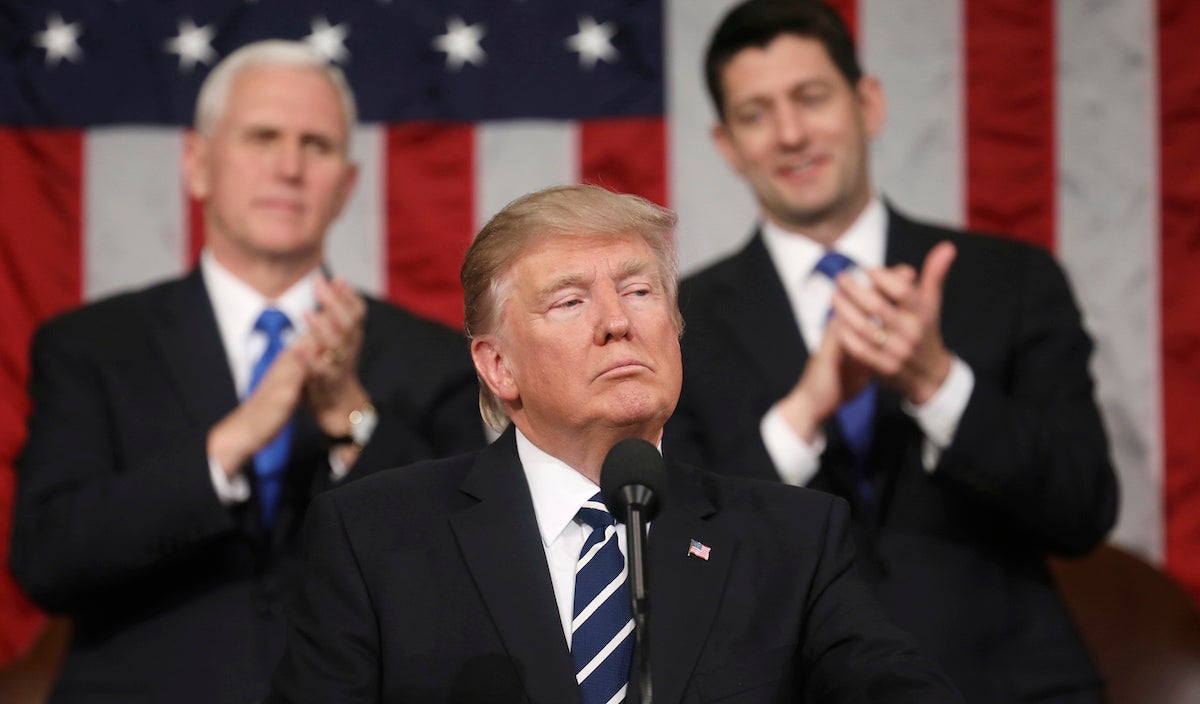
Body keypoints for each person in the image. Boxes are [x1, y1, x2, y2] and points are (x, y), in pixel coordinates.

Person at [266, 183, 963, 704]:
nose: (616, 322)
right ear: (498, 366)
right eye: (570, 301)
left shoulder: (793, 539)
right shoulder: (376, 537)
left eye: (639, 291)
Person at [663, 1, 1119, 702]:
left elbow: (1083, 510)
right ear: (726, 144)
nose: (789, 134)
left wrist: (938, 384)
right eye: (756, 114)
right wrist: (803, 415)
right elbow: (680, 560)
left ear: (867, 103)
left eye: (810, 98)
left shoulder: (1011, 279)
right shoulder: (677, 322)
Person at [8, 40, 485, 704]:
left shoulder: (434, 358)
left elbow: (468, 572)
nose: (288, 167)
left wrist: (351, 415)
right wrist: (231, 443)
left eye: (315, 146)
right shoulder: (91, 346)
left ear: (346, 186)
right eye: (262, 137)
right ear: (198, 164)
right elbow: (47, 560)